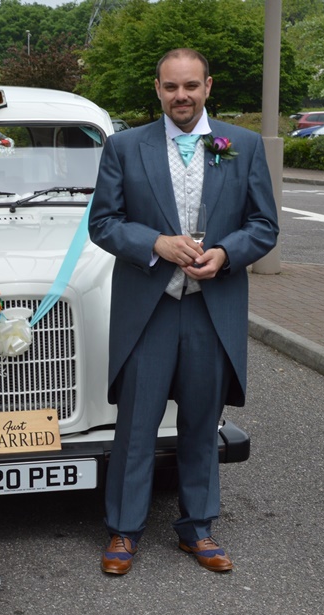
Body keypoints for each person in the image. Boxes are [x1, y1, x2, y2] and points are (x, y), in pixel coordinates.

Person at [88, 48, 279, 575]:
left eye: (191, 86)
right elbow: (103, 223)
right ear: (157, 90)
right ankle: (124, 531)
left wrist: (225, 254)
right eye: (171, 87)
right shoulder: (125, 146)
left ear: (208, 86)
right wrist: (156, 244)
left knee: (201, 423)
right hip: (149, 306)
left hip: (209, 308)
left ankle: (198, 528)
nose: (181, 96)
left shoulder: (240, 146)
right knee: (137, 425)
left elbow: (264, 225)